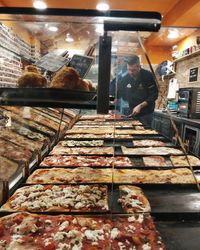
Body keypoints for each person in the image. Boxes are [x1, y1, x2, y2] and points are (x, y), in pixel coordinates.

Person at [118, 55, 158, 127]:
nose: (130, 72)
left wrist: (140, 106)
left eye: (133, 70)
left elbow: (154, 95)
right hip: (132, 112)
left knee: (145, 133)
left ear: (139, 66)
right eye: (128, 69)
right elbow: (122, 94)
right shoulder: (125, 79)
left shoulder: (147, 76)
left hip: (146, 113)